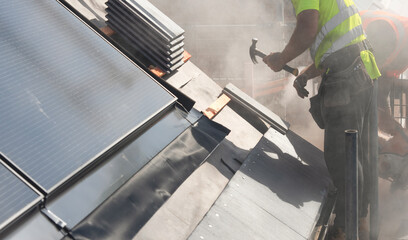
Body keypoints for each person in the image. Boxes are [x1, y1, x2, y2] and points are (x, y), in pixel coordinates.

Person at [262, 1, 381, 240]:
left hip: (346, 77)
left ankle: (346, 230)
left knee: (342, 155)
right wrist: (305, 74)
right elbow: (336, 47)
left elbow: (307, 29)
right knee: (359, 154)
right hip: (360, 70)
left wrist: (281, 58)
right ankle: (361, 222)